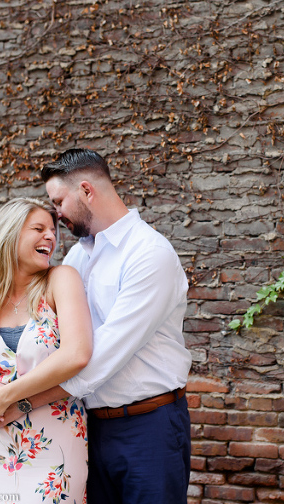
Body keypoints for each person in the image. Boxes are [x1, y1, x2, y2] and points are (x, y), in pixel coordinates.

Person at [41, 148, 192, 504]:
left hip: (148, 426)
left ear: (86, 190)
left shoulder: (149, 252)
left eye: (59, 201)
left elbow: (104, 353)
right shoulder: (77, 257)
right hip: (88, 426)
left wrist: (22, 401)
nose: (55, 214)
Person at [0, 197, 93, 504]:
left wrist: (4, 396)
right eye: (39, 228)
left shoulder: (60, 280)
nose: (51, 237)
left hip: (53, 442)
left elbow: (77, 355)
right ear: (9, 234)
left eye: (53, 230)